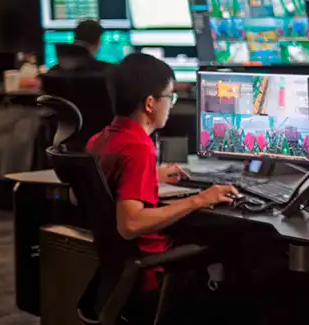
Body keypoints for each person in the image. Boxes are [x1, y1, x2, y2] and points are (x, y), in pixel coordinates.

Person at [87, 53, 238, 290]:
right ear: (150, 103)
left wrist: (149, 175)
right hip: (152, 270)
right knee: (240, 246)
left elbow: (85, 194)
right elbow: (130, 225)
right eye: (170, 96)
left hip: (114, 273)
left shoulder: (99, 140)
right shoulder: (138, 148)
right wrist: (200, 199)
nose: (172, 104)